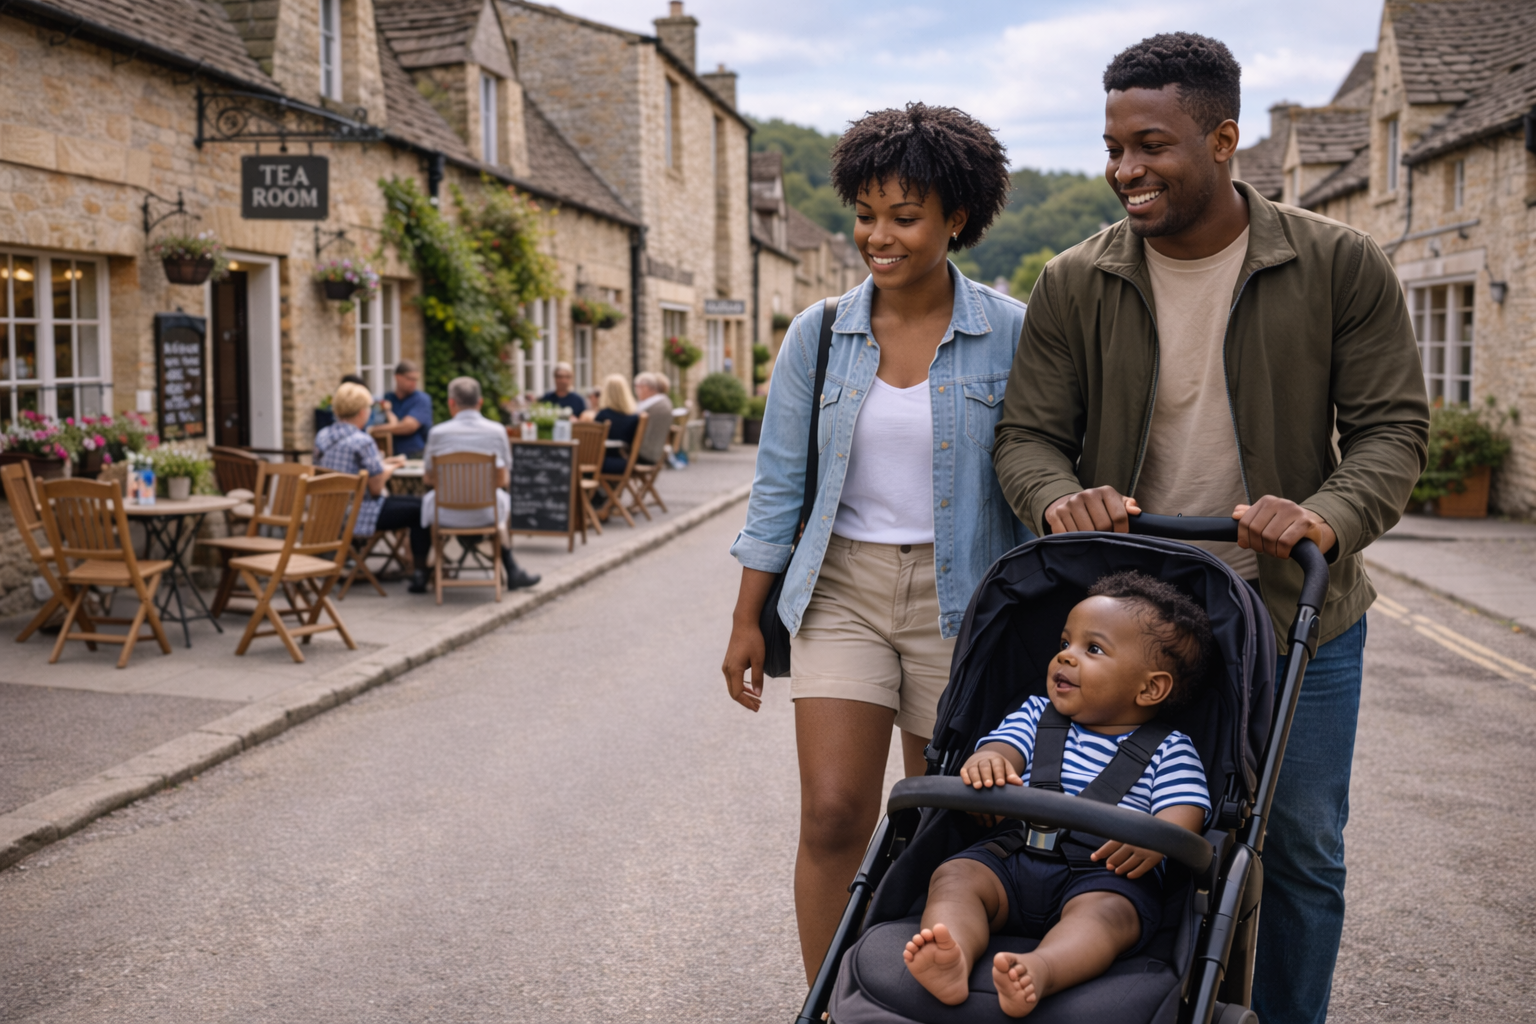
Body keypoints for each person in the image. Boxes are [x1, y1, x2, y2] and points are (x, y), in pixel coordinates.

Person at [990, 33, 1429, 1024]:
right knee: (1124, 836)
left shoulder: (1337, 265)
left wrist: (1323, 513)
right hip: (1133, 620)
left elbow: (1392, 431)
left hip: (1291, 613)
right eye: (1113, 148)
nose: (1125, 171)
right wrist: (1059, 497)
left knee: (1297, 847)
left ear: (1224, 139)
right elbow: (1026, 439)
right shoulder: (1074, 279)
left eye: (1151, 144)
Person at [721, 102, 1027, 981]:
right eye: (865, 214)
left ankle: (928, 991)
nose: (877, 236)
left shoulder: (1011, 331)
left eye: (904, 216)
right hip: (841, 592)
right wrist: (748, 619)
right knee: (833, 812)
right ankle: (828, 1000)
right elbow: (778, 487)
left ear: (956, 218)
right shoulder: (818, 335)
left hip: (965, 599)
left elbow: (1042, 467)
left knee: (951, 823)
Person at [903, 572, 1213, 1018]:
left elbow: (1186, 811)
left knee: (1106, 917)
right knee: (956, 878)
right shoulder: (1035, 715)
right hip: (1011, 857)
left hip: (1104, 875)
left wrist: (1158, 835)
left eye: (1093, 649)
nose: (1065, 657)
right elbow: (1001, 749)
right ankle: (950, 952)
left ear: (1149, 688)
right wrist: (988, 761)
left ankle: (1042, 969)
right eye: (1065, 642)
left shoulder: (1169, 748)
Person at [314, 381, 433, 594]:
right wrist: (389, 467)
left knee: (412, 504)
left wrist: (381, 465)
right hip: (359, 513)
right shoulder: (362, 441)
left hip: (329, 511)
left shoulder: (322, 436)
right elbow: (376, 489)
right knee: (422, 508)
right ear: (362, 412)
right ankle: (420, 573)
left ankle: (417, 569)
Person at [422, 376, 540, 590]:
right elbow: (503, 479)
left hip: (445, 515)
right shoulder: (496, 431)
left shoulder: (437, 433)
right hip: (486, 513)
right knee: (503, 500)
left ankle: (423, 571)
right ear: (480, 402)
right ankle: (511, 570)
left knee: (423, 502)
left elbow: (428, 478)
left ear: (451, 403)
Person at [580, 374, 640, 475]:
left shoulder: (603, 415)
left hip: (606, 461)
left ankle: (589, 490)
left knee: (578, 461)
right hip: (625, 461)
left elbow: (594, 443)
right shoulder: (634, 416)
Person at [379, 360, 433, 457]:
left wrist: (374, 430)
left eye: (416, 380)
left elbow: (407, 427)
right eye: (410, 379)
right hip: (391, 454)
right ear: (397, 377)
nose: (414, 383)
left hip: (415, 454)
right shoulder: (388, 397)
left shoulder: (421, 399)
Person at [632, 371, 674, 467]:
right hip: (656, 453)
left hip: (643, 454)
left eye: (636, 386)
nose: (635, 390)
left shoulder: (650, 406)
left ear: (645, 388)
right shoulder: (664, 402)